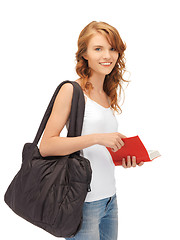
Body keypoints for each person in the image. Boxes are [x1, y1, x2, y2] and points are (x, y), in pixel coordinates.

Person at [39, 21, 144, 240]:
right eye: (98, 49)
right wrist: (97, 138)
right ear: (84, 53)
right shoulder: (71, 90)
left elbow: (98, 152)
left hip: (109, 200)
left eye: (112, 49)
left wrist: (123, 157)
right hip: (83, 204)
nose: (108, 56)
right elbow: (47, 146)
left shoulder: (107, 94)